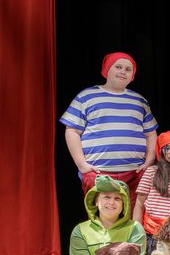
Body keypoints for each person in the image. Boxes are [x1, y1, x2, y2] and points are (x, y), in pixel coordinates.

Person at [60, 52, 157, 198]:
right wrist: (82, 165)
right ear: (106, 70)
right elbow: (72, 131)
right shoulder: (86, 96)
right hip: (98, 172)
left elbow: (151, 133)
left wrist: (149, 161)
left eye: (128, 69)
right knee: (102, 216)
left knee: (132, 217)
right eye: (118, 67)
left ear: (133, 75)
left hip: (134, 173)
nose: (123, 72)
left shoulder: (139, 101)